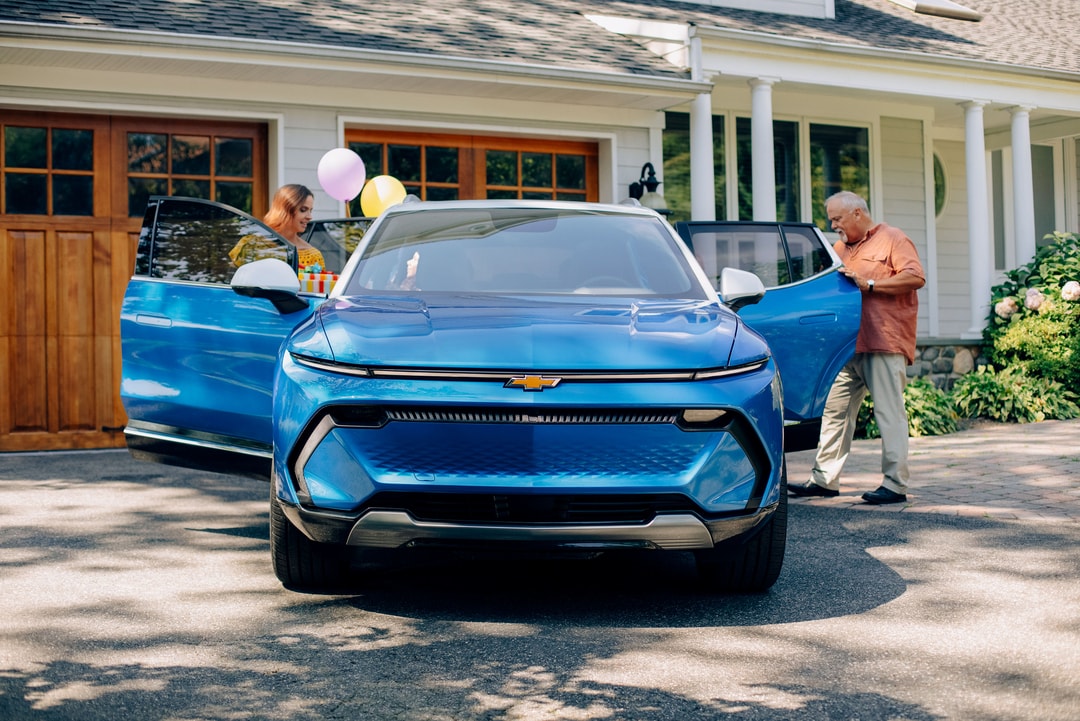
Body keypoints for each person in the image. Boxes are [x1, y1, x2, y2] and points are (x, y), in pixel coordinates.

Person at [789, 191, 926, 505]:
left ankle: (894, 485)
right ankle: (824, 481)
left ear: (857, 214)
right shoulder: (838, 249)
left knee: (889, 414)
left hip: (884, 341)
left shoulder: (894, 239)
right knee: (834, 412)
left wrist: (872, 284)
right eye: (832, 219)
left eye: (837, 218)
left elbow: (915, 277)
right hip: (847, 347)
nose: (834, 225)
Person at [230, 184, 327, 272]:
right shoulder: (251, 244)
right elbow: (230, 283)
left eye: (310, 210)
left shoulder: (314, 256)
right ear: (285, 210)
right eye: (303, 210)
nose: (310, 216)